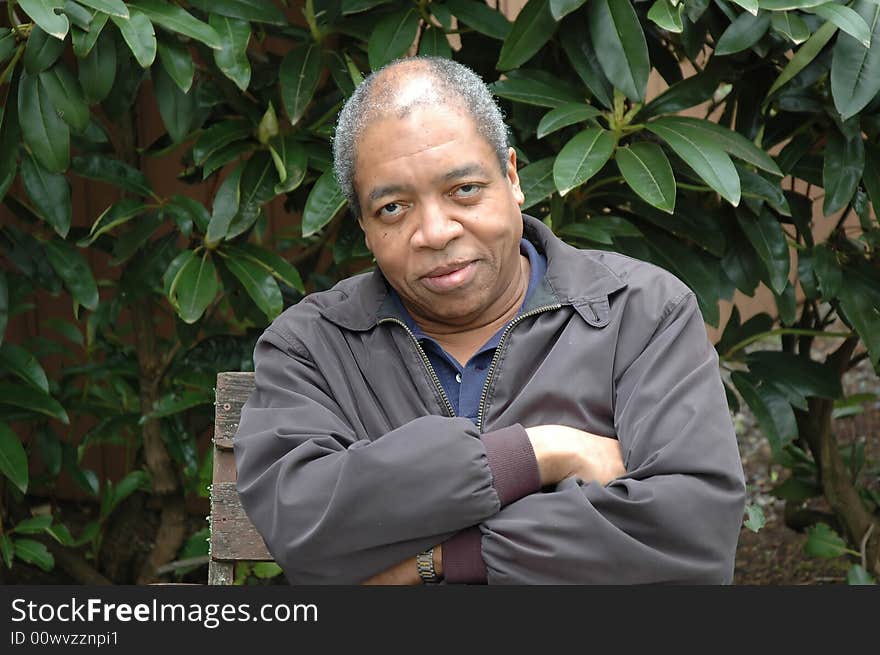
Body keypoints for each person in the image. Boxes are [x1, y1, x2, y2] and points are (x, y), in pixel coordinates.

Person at [234, 56, 746, 585]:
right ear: (363, 225)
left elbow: (692, 533)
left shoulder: (639, 312)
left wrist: (439, 560)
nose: (434, 231)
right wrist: (538, 453)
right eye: (392, 208)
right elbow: (301, 523)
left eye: (464, 190)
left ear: (512, 177)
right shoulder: (311, 347)